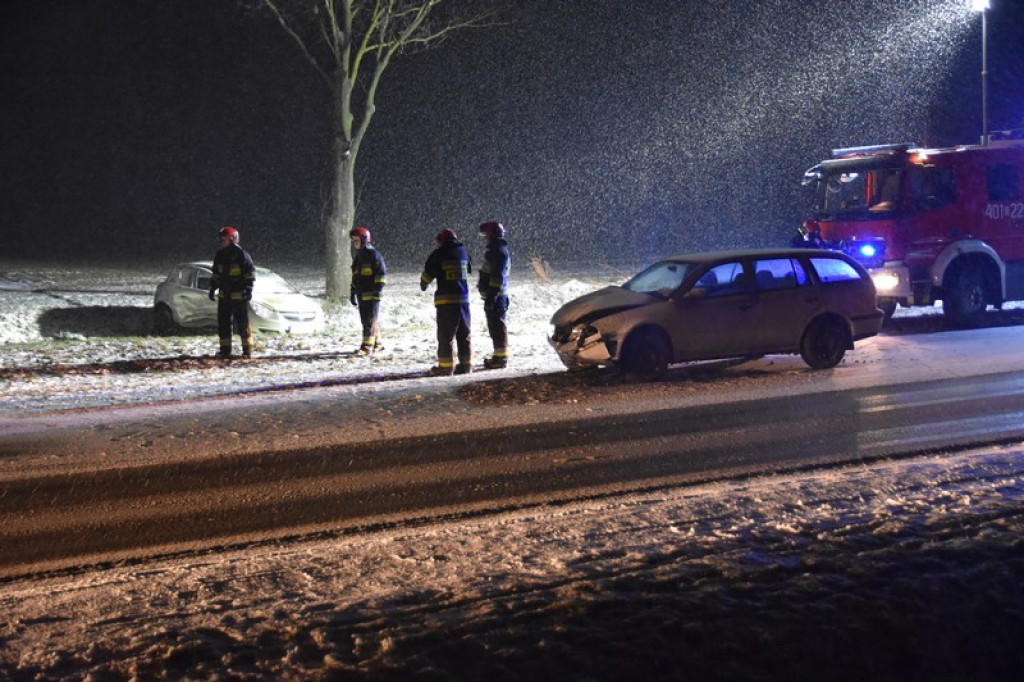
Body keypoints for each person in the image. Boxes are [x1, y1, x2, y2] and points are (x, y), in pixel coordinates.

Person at [420, 228, 472, 376]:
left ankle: (446, 367)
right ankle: (466, 365)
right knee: (464, 334)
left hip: (446, 301)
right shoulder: (463, 252)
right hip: (463, 301)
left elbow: (427, 275)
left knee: (446, 335)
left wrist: (423, 283)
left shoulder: (439, 254)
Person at [209, 226, 255, 359]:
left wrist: (249, 289)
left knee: (242, 324)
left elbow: (250, 273)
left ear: (232, 239)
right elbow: (216, 273)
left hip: (239, 296)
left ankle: (247, 350)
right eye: (220, 239)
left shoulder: (242, 255)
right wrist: (213, 288)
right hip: (224, 296)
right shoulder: (220, 255)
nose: (221, 242)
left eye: (223, 239)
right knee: (223, 324)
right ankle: (225, 350)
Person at [477, 220, 511, 369]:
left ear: (491, 234)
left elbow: (497, 277)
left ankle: (501, 359)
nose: (484, 237)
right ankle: (498, 357)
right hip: (496, 296)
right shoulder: (497, 250)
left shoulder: (497, 252)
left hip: (497, 297)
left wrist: (491, 296)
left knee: (497, 327)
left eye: (485, 234)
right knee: (495, 327)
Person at [349, 226, 387, 355]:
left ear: (365, 240)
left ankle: (367, 347)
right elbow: (355, 276)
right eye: (353, 241)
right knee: (367, 320)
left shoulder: (373, 255)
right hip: (362, 294)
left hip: (372, 294)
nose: (355, 243)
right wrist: (353, 291)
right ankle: (378, 344)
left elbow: (381, 274)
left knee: (370, 320)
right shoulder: (359, 257)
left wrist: (378, 290)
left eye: (356, 240)